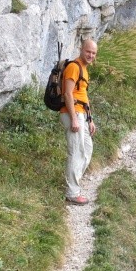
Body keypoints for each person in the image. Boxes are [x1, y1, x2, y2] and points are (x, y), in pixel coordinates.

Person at [60, 39, 97, 205]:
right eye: (88, 51)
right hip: (72, 114)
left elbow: (84, 96)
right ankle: (72, 193)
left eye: (94, 53)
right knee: (76, 152)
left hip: (82, 115)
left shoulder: (85, 70)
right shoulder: (74, 67)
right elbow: (68, 94)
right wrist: (74, 118)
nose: (90, 55)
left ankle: (73, 180)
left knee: (87, 150)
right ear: (81, 50)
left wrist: (90, 119)